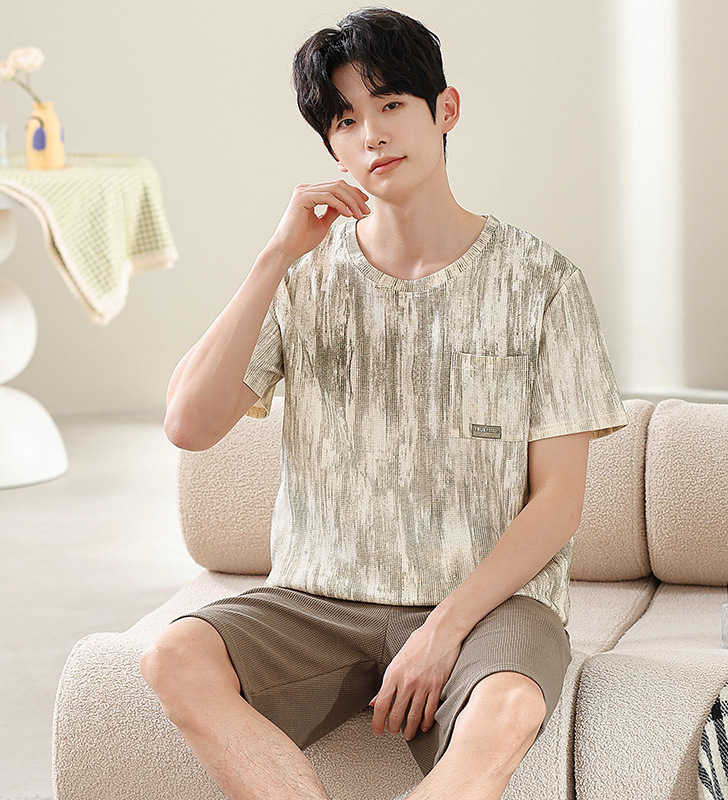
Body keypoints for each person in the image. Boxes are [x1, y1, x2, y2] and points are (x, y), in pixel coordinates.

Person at [139, 7, 629, 800]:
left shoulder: (543, 281)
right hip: (315, 603)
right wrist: (275, 256)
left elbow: (559, 501)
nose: (372, 134)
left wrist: (444, 629)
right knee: (172, 655)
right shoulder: (303, 276)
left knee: (507, 707)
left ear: (446, 110)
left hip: (488, 608)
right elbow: (188, 426)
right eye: (345, 120)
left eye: (391, 103)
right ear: (331, 147)